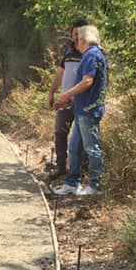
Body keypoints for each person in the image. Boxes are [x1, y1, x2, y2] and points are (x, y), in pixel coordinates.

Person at [53, 24, 108, 198]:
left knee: (92, 148)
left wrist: (66, 94)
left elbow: (87, 81)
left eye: (78, 39)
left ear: (84, 40)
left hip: (88, 111)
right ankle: (72, 183)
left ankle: (95, 185)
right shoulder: (94, 54)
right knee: (74, 146)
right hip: (82, 110)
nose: (77, 43)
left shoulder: (91, 55)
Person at [46, 20, 84, 181]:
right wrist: (52, 92)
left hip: (83, 101)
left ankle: (84, 170)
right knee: (60, 132)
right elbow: (60, 73)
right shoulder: (68, 51)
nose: (76, 37)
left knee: (83, 135)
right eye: (74, 33)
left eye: (80, 33)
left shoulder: (91, 52)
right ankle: (61, 167)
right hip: (64, 101)